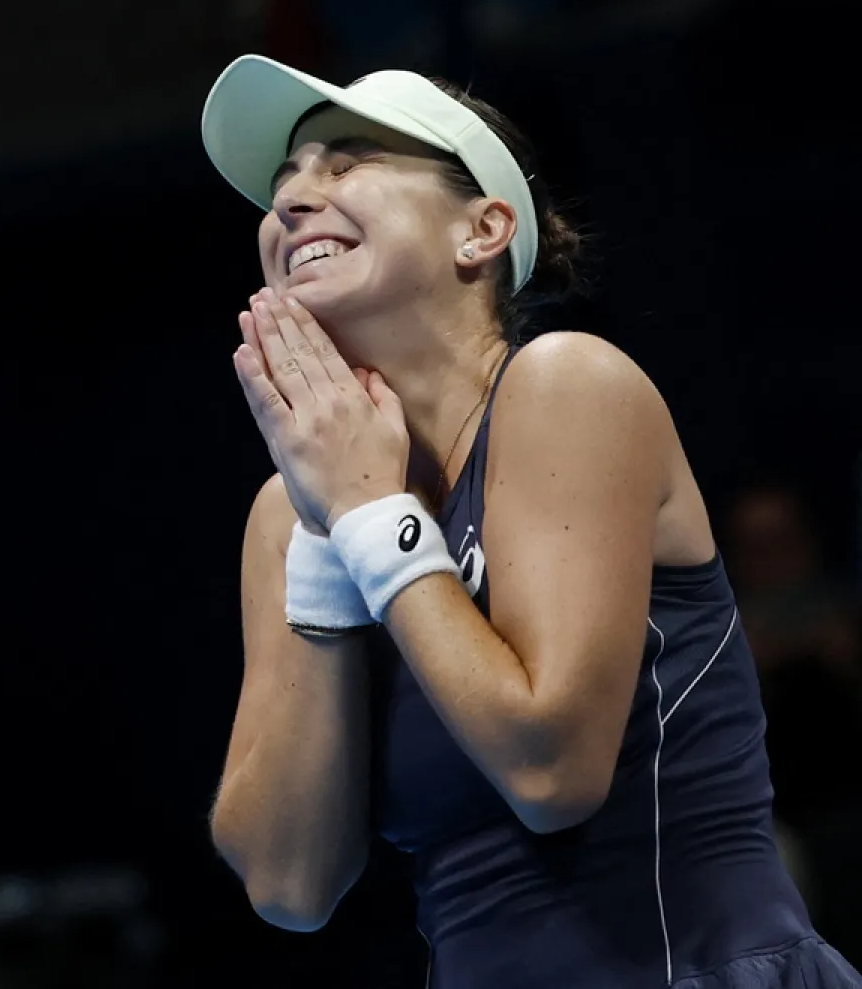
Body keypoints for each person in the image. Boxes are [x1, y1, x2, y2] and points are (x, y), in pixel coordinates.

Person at [201, 55, 862, 988]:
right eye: (284, 185)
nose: (295, 200)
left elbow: (553, 774)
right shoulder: (291, 516)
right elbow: (288, 883)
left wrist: (373, 519)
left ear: (482, 229)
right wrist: (329, 539)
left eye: (347, 163)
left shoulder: (567, 386)